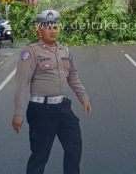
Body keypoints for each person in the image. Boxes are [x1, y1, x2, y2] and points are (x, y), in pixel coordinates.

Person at [13, 9, 92, 174]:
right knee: (40, 156)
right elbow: (21, 83)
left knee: (74, 149)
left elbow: (73, 76)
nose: (52, 30)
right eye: (48, 27)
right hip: (41, 110)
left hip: (63, 108)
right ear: (39, 30)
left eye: (55, 27)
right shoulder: (31, 52)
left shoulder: (65, 51)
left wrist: (83, 97)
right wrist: (18, 113)